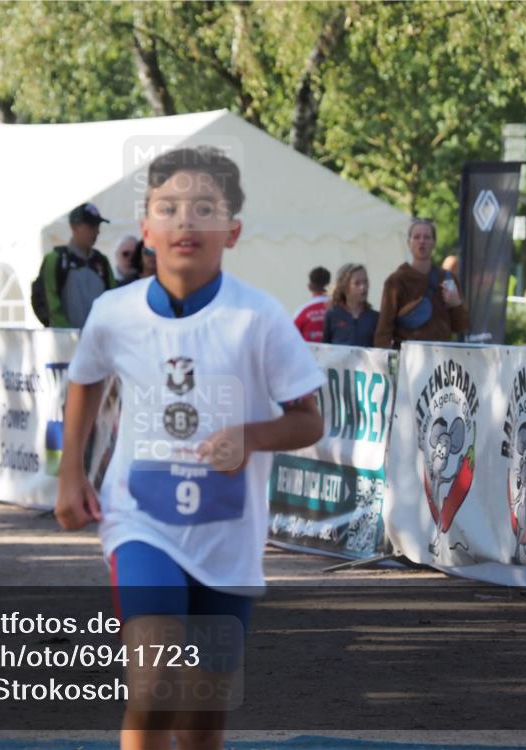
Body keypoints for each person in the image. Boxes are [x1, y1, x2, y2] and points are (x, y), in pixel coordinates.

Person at [54, 146, 325, 750]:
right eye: (169, 208)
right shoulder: (114, 312)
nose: (186, 222)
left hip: (229, 534)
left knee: (203, 718)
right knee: (153, 684)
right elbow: (86, 378)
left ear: (232, 230)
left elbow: (309, 421)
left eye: (205, 209)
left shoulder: (259, 318)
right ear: (146, 229)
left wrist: (249, 437)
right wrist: (71, 472)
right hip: (140, 520)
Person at [373, 218, 469, 348]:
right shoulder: (396, 281)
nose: (422, 241)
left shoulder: (447, 278)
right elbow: (384, 330)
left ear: (434, 242)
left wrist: (456, 304)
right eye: (416, 237)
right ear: (409, 242)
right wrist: (385, 362)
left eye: (427, 237)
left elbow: (461, 326)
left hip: (441, 357)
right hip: (410, 358)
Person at [40, 202, 116, 328]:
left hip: (99, 341)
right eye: (91, 226)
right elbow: (51, 305)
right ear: (75, 226)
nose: (97, 231)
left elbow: (113, 300)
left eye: (98, 226)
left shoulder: (102, 261)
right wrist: (70, 337)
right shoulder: (56, 259)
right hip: (67, 342)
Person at [323, 263, 380, 347]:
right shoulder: (332, 315)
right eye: (357, 283)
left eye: (365, 281)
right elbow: (324, 349)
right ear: (345, 287)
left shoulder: (375, 317)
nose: (363, 287)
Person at [293, 266, 331, 342]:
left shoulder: (302, 311)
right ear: (330, 286)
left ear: (310, 287)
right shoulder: (340, 309)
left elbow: (291, 337)